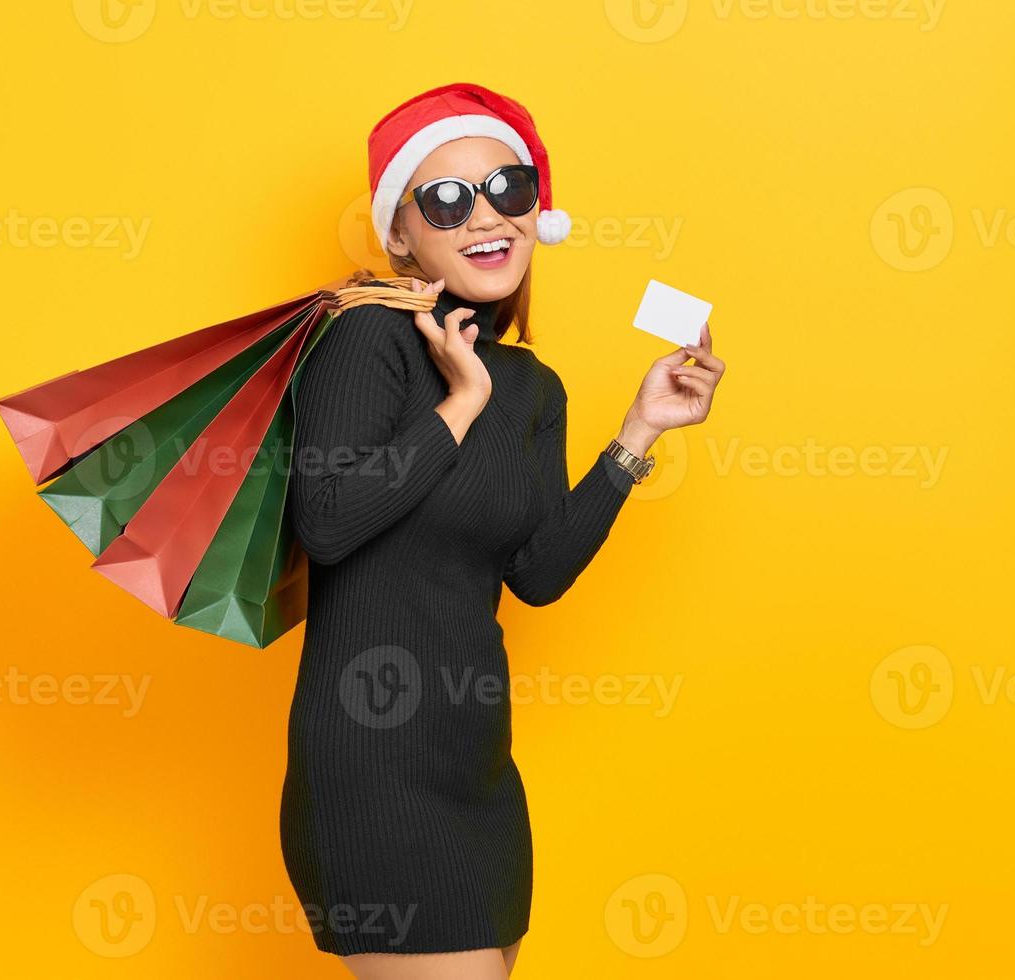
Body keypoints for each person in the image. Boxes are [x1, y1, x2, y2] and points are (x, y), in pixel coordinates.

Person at [280, 82, 726, 979]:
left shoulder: (534, 386)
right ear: (400, 232)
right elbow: (326, 525)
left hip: (475, 761)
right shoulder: (364, 338)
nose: (485, 216)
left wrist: (638, 433)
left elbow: (535, 574)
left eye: (507, 189)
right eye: (446, 198)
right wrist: (459, 401)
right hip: (372, 759)